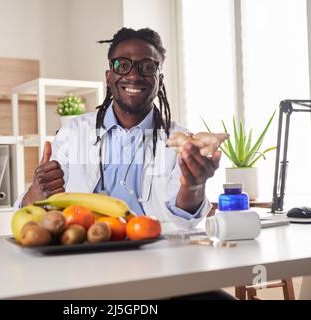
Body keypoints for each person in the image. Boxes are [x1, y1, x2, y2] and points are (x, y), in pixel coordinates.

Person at [15, 27, 234, 300]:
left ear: (159, 79)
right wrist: (38, 191)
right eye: (123, 65)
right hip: (81, 270)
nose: (133, 74)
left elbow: (184, 224)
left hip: (159, 269)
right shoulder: (74, 133)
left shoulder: (180, 141)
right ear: (109, 76)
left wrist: (194, 186)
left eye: (147, 67)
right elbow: (29, 214)